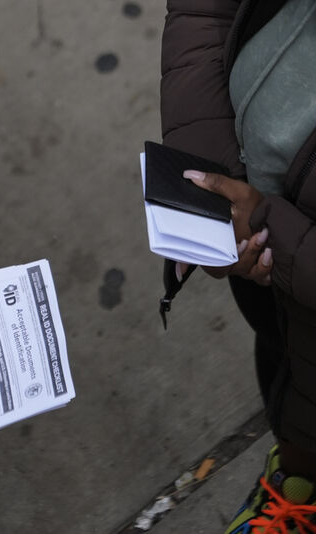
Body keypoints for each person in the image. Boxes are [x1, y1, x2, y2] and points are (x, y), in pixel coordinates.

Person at [161, 0, 316, 531]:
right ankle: (296, 488)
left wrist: (276, 233)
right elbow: (204, 11)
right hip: (266, 263)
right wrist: (210, 178)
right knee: (285, 372)